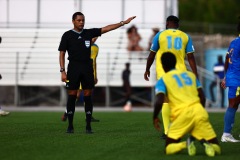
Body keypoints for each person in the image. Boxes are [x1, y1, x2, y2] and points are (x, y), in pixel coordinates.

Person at [58, 12, 136, 134]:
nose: (81, 22)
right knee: (72, 95)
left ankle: (88, 126)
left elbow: (106, 28)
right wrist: (62, 71)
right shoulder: (67, 35)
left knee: (88, 95)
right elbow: (62, 53)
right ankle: (70, 126)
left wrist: (123, 23)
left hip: (87, 68)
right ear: (73, 21)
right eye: (79, 20)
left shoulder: (88, 33)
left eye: (83, 20)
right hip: (73, 68)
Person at [153, 52, 221, 157]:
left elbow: (159, 100)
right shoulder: (191, 76)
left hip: (181, 115)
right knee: (217, 148)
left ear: (162, 65)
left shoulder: (163, 79)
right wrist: (200, 111)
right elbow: (202, 97)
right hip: (199, 112)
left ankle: (186, 144)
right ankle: (205, 143)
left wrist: (155, 116)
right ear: (176, 62)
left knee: (169, 148)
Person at [144, 15, 198, 138]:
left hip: (164, 73)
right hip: (180, 74)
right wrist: (195, 74)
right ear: (178, 25)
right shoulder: (185, 36)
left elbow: (151, 55)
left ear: (167, 23)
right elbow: (191, 57)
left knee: (165, 101)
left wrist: (147, 69)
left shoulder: (160, 35)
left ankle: (167, 131)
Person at [61, 37, 100, 122]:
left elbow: (94, 62)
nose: (94, 39)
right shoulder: (81, 46)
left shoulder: (96, 47)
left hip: (90, 74)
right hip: (81, 72)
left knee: (88, 94)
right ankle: (67, 112)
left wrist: (95, 76)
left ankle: (88, 116)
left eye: (96, 38)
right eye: (93, 37)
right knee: (77, 94)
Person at [220, 19, 240, 142]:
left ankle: (226, 134)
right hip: (238, 79)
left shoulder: (234, 42)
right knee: (233, 105)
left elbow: (227, 59)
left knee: (232, 106)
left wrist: (226, 77)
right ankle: (226, 135)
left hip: (233, 78)